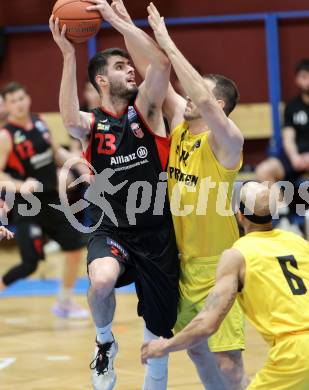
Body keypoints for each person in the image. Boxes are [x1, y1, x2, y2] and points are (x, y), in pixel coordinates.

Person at [111, 1, 247, 388]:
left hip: (214, 266)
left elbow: (200, 96)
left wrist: (168, 40)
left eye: (198, 93)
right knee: (197, 351)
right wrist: (122, 24)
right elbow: (160, 75)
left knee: (227, 361)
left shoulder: (227, 143)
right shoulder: (181, 126)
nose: (187, 97)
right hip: (180, 262)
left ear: (218, 106)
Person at [49, 2, 179, 389]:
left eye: (129, 64)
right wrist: (69, 55)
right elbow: (69, 119)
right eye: (121, 67)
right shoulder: (93, 124)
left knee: (158, 337)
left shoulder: (147, 111)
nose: (131, 70)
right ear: (102, 81)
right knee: (101, 280)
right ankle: (104, 342)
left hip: (157, 234)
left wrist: (121, 22)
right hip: (114, 230)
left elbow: (160, 65)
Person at [142, 180, 309, 390]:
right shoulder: (299, 242)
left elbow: (207, 323)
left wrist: (166, 345)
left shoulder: (237, 255)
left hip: (296, 354)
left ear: (239, 215)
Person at [0, 82, 88, 319]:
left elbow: (55, 152)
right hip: (28, 206)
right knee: (30, 264)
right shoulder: (5, 136)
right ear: (6, 106)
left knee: (75, 249)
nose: (19, 104)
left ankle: (64, 302)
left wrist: (77, 161)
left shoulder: (40, 122)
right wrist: (19, 185)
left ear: (28, 98)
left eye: (21, 98)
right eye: (13, 101)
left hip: (52, 200)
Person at [256, 59, 309, 184]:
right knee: (263, 171)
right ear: (297, 80)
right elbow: (288, 138)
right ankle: (282, 205)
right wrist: (294, 157)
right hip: (297, 158)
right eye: (304, 76)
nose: (308, 80)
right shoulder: (292, 107)